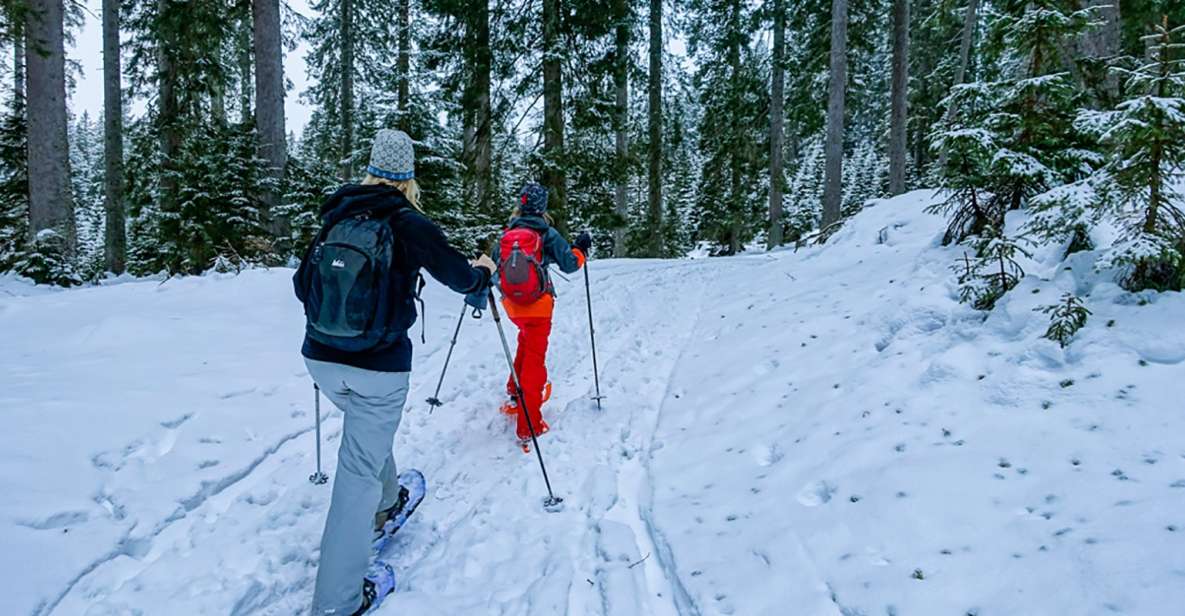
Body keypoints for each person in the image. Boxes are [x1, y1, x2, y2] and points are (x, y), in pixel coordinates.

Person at [293, 129, 495, 616]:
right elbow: (461, 278)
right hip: (378, 368)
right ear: (407, 176)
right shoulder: (408, 223)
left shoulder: (336, 214)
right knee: (356, 469)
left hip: (320, 360)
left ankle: (388, 501)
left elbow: (303, 286)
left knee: (365, 435)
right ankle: (338, 601)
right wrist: (484, 270)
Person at [493, 182, 592, 447]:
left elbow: (494, 268)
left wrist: (509, 293)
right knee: (535, 357)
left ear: (521, 205)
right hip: (538, 306)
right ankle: (529, 425)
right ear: (542, 207)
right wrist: (581, 249)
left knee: (525, 340)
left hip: (513, 306)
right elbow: (571, 265)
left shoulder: (508, 234)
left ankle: (514, 389)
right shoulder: (546, 232)